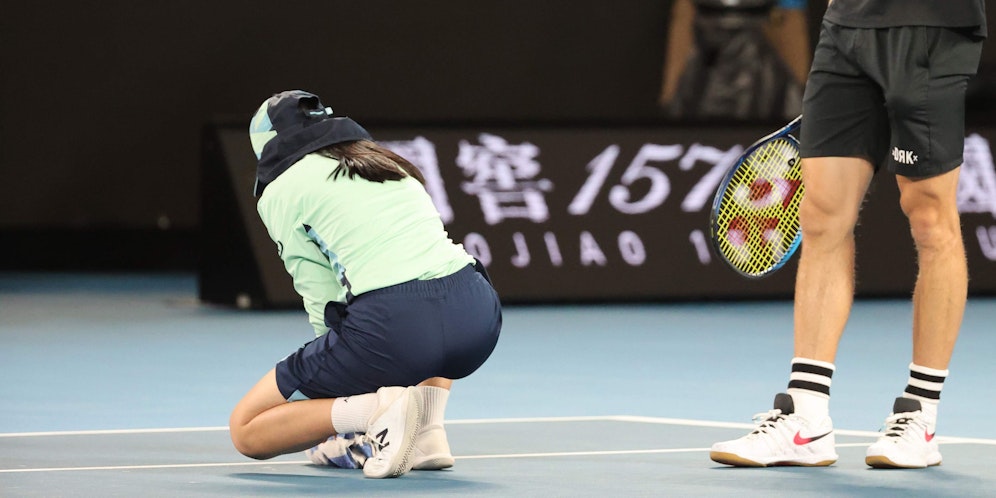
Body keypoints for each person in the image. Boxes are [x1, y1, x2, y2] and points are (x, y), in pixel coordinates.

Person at [710, 0, 986, 469]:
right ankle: (807, 417)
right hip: (847, 27)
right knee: (820, 216)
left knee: (930, 217)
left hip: (932, 26)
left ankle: (920, 415)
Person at [228, 90, 502, 479]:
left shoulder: (281, 190)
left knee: (246, 429)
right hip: (478, 314)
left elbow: (319, 292)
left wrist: (343, 398)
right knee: (430, 315)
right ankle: (428, 434)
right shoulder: (388, 162)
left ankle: (377, 414)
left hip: (397, 329)